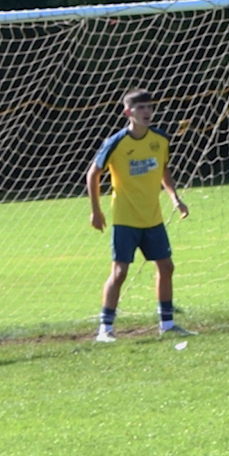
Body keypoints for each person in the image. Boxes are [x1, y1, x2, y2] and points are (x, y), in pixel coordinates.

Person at [87, 89, 190, 342]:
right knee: (120, 272)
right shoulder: (116, 143)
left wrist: (175, 198)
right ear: (128, 112)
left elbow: (164, 170)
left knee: (166, 267)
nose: (147, 112)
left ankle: (167, 324)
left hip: (152, 218)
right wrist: (96, 211)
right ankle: (105, 329)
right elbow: (93, 174)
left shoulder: (160, 140)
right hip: (125, 219)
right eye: (140, 108)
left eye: (149, 107)